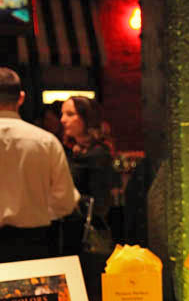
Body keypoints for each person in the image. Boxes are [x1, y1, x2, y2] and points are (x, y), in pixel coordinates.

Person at [0, 67, 80, 262]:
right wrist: (38, 209)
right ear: (20, 98)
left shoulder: (47, 141)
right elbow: (66, 202)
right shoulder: (46, 142)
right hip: (34, 243)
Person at [61, 96, 117, 228]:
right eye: (62, 114)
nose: (62, 120)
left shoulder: (98, 154)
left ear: (87, 118)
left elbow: (100, 204)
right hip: (72, 223)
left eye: (70, 114)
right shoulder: (72, 150)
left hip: (87, 228)